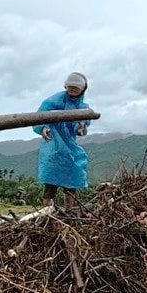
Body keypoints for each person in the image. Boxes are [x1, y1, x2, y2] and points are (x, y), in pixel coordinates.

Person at [35, 73, 91, 210]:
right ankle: (46, 212)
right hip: (53, 146)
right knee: (50, 182)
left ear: (82, 89)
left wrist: (81, 127)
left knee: (72, 179)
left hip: (70, 147)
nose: (72, 89)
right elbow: (38, 117)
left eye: (75, 87)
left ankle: (69, 212)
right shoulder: (53, 101)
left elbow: (80, 128)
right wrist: (43, 128)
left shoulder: (82, 107)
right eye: (70, 86)